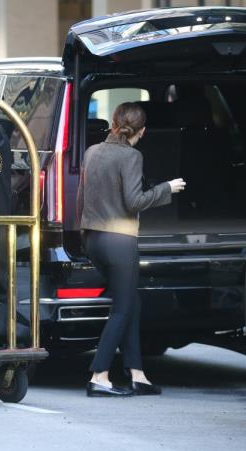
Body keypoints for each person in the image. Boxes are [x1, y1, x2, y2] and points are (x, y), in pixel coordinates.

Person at [76, 102, 186, 397]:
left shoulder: (92, 151)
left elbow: (80, 199)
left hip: (93, 240)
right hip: (120, 241)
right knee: (122, 309)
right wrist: (167, 188)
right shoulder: (132, 156)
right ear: (143, 131)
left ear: (114, 123)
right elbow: (134, 201)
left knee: (131, 302)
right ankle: (99, 375)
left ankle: (137, 374)